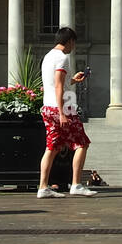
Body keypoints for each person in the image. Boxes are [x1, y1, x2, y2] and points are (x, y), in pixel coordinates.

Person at [37, 27, 95, 198]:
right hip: (63, 108)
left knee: (51, 147)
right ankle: (76, 184)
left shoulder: (48, 57)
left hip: (47, 107)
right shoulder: (63, 58)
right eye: (73, 43)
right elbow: (58, 86)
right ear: (69, 41)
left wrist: (73, 80)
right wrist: (62, 113)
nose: (73, 47)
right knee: (82, 143)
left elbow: (55, 82)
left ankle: (43, 187)